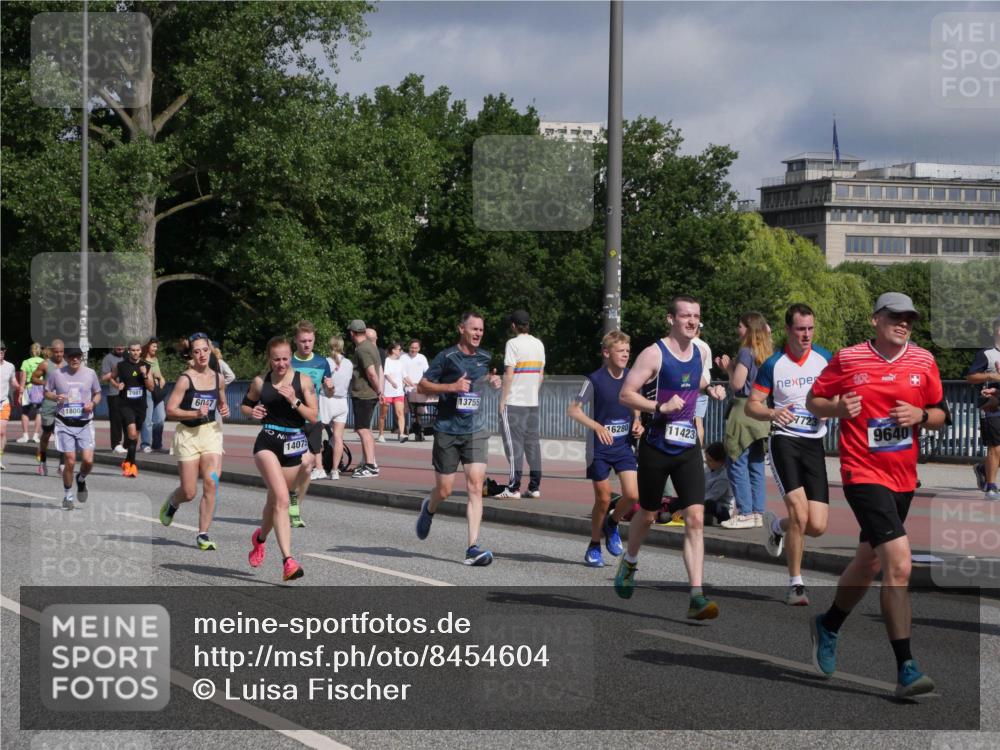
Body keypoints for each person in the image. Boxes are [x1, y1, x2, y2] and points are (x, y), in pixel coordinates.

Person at [806, 292, 947, 698]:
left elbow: (941, 412)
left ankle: (828, 625)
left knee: (868, 562)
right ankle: (906, 668)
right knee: (898, 564)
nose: (903, 324)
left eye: (910, 319)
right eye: (895, 317)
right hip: (862, 473)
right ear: (876, 320)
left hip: (903, 478)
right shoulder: (850, 359)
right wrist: (837, 410)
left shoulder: (923, 361)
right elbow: (814, 401)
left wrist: (921, 416)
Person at [615, 295, 727, 618]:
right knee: (649, 514)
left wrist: (711, 389)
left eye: (696, 316)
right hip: (656, 447)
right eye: (685, 316)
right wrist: (658, 408)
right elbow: (626, 393)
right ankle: (630, 560)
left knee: (694, 518)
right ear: (670, 319)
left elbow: (699, 378)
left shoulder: (701, 350)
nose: (692, 321)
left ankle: (696, 596)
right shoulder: (654, 354)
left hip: (688, 447)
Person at [746, 303, 833, 605]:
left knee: (818, 525)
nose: (806, 335)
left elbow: (840, 391)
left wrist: (830, 406)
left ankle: (775, 527)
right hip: (784, 441)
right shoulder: (773, 364)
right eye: (800, 329)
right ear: (788, 330)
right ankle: (796, 584)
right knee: (800, 513)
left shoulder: (825, 358)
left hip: (814, 443)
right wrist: (772, 412)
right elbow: (751, 404)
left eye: (810, 328)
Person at [414, 311, 503, 565]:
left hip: (475, 429)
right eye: (474, 329)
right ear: (461, 329)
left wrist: (491, 381)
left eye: (481, 330)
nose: (478, 334)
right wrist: (451, 387)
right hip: (447, 429)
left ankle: (472, 548)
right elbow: (422, 385)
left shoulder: (485, 357)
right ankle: (429, 507)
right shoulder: (447, 357)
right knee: (445, 490)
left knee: (476, 486)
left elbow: (480, 383)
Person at [240, 336, 317, 581]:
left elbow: (313, 416)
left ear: (290, 357)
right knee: (283, 500)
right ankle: (288, 561)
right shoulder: (260, 382)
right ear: (269, 359)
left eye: (285, 359)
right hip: (268, 443)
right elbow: (244, 406)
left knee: (274, 502)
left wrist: (294, 400)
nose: (281, 364)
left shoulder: (302, 381)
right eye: (276, 359)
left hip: (293, 445)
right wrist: (252, 412)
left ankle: (260, 539)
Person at [567, 330, 642, 567]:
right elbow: (573, 410)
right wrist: (597, 426)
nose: (625, 355)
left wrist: (638, 420)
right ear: (607, 352)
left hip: (622, 446)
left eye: (628, 351)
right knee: (603, 498)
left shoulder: (632, 377)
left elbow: (635, 403)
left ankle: (612, 523)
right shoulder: (594, 380)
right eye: (621, 351)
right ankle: (594, 544)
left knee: (632, 495)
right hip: (598, 449)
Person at [161, 333, 230, 550]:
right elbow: (170, 410)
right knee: (189, 492)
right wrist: (193, 413)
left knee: (212, 481)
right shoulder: (185, 379)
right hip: (188, 435)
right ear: (191, 354)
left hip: (211, 432)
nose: (201, 355)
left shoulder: (218, 378)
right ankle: (173, 502)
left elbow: (221, 401)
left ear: (211, 351)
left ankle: (203, 534)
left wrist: (224, 408)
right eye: (197, 351)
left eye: (205, 350)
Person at [717, 312, 773, 529]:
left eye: (740, 326)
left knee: (737, 462)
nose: (737, 330)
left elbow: (738, 384)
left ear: (748, 329)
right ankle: (758, 512)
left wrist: (729, 367)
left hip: (743, 410)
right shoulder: (767, 352)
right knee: (756, 464)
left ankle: (745, 512)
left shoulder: (746, 352)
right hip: (762, 411)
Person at [44, 347, 101, 510]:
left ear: (81, 357)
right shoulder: (57, 374)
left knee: (88, 461)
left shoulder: (90, 373)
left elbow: (97, 393)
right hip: (64, 422)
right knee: (69, 460)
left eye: (78, 357)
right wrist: (55, 397)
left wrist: (93, 403)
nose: (75, 359)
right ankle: (68, 496)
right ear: (66, 358)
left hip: (85, 423)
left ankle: (81, 479)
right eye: (72, 357)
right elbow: (47, 392)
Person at [497, 310, 546, 499]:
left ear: (513, 326)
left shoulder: (513, 344)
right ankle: (534, 487)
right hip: (532, 402)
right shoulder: (538, 344)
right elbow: (540, 375)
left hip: (514, 402)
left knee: (513, 445)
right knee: (532, 444)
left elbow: (509, 374)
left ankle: (513, 487)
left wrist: (503, 400)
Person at [288, 320, 333, 526]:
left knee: (309, 465)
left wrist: (330, 387)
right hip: (291, 420)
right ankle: (287, 497)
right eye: (303, 341)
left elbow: (329, 393)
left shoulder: (322, 362)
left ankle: (295, 505)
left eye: (310, 340)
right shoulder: (288, 361)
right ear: (296, 341)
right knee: (293, 465)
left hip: (313, 418)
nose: (307, 344)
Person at [967, 315, 1000, 500]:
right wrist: (992, 377)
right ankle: (991, 486)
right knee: (995, 446)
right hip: (990, 406)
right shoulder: (986, 354)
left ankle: (982, 468)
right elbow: (971, 377)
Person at [110, 342, 154, 477]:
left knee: (134, 437)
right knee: (133, 434)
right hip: (125, 404)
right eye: (132, 350)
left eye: (137, 350)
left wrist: (145, 375)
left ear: (141, 351)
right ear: (129, 351)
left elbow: (151, 387)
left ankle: (127, 461)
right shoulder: (121, 365)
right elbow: (110, 377)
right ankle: (133, 466)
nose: (135, 352)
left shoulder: (146, 366)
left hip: (140, 406)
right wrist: (118, 385)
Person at [348, 319, 382, 478]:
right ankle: (370, 462)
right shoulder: (371, 346)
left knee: (362, 430)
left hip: (364, 394)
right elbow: (378, 369)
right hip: (369, 394)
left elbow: (371, 372)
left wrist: (378, 390)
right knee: (365, 429)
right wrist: (380, 391)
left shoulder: (362, 349)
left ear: (352, 333)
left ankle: (370, 465)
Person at [318, 335, 353, 480]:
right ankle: (334, 470)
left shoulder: (326, 361)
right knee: (338, 437)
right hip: (342, 401)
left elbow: (321, 381)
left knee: (317, 433)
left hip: (327, 398)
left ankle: (318, 466)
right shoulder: (349, 363)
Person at [32, 339, 66, 476]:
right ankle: (43, 461)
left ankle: (62, 465)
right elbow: (33, 378)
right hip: (49, 404)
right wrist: (45, 382)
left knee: (63, 434)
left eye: (61, 352)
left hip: (63, 404)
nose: (59, 354)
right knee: (46, 434)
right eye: (56, 352)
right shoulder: (45, 364)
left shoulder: (68, 364)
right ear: (52, 351)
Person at [140, 337, 167, 454]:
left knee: (160, 418)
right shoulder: (141, 361)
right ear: (147, 346)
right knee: (147, 419)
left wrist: (161, 379)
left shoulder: (155, 359)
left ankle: (157, 444)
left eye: (156, 346)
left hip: (157, 391)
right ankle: (145, 444)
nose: (156, 348)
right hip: (146, 391)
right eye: (154, 346)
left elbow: (159, 374)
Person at [378, 342, 408, 443]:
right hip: (387, 392)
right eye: (399, 349)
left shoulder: (400, 362)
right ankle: (381, 434)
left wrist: (414, 384)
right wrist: (392, 382)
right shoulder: (387, 360)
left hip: (399, 392)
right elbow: (386, 374)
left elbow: (405, 376)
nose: (401, 351)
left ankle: (402, 434)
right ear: (393, 350)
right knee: (383, 414)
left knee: (400, 413)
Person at [402, 338, 432, 441]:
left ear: (419, 348)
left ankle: (417, 428)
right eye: (412, 347)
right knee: (407, 409)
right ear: (409, 347)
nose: (413, 350)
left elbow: (427, 372)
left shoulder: (422, 358)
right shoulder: (403, 358)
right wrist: (409, 384)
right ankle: (404, 429)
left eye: (416, 348)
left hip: (419, 387)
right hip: (406, 387)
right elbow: (402, 373)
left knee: (419, 409)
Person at [100, 344, 126, 454]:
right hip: (114, 394)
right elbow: (103, 377)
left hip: (127, 394)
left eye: (122, 347)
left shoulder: (127, 357)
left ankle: (127, 444)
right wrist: (115, 372)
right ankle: (116, 444)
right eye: (118, 347)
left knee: (127, 419)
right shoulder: (108, 358)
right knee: (116, 420)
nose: (120, 349)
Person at [17, 343, 45, 444]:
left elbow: (22, 379)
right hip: (40, 389)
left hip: (28, 388)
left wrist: (20, 393)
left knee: (25, 412)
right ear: (39, 351)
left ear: (30, 351)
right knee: (39, 412)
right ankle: (36, 436)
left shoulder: (25, 362)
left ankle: (25, 436)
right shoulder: (43, 362)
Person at [0, 341, 21, 471]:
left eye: (3, 349)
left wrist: (20, 388)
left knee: (1, 432)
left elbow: (13, 381)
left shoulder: (10, 366)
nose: (1, 351)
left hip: (3, 403)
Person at [702, 442, 733, 525]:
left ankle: (712, 519)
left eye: (710, 460)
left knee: (708, 504)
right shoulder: (708, 468)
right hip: (704, 502)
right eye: (706, 459)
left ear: (721, 461)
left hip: (721, 508)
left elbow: (711, 497)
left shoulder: (725, 476)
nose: (707, 463)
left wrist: (692, 505)